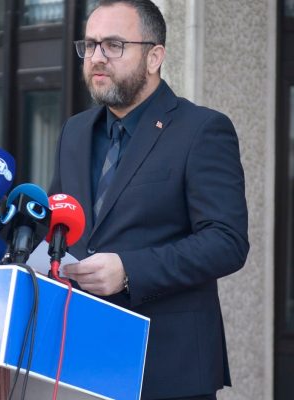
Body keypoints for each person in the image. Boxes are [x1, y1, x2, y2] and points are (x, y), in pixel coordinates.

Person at [48, 1, 249, 399]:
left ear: (155, 56)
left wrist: (129, 270)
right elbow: (60, 223)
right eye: (90, 45)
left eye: (114, 45)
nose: (97, 58)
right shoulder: (75, 131)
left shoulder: (202, 130)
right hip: (79, 362)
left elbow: (227, 242)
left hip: (167, 368)